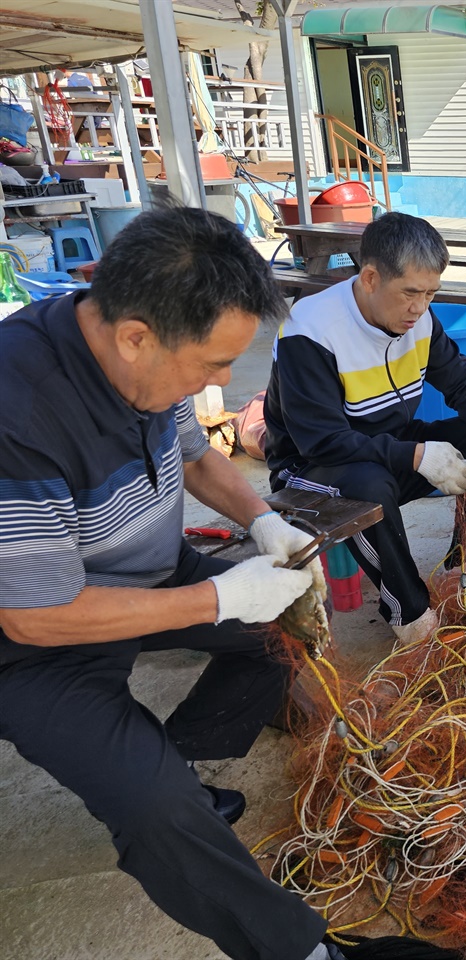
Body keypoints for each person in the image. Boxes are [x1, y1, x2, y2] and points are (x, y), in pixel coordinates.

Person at [0, 207, 346, 960]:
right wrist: (220, 597)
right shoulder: (16, 407)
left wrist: (261, 521)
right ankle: (299, 952)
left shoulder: (149, 359)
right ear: (135, 337)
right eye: (213, 366)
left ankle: (181, 756)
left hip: (150, 572)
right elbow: (33, 617)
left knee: (278, 629)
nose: (227, 383)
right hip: (39, 642)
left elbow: (194, 458)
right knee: (154, 809)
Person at [263, 213, 466, 644]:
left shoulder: (422, 320)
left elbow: (462, 384)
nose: (419, 307)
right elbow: (322, 442)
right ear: (371, 278)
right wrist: (417, 456)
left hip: (387, 446)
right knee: (370, 484)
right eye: (410, 293)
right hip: (310, 467)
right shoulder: (312, 330)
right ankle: (409, 615)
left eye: (431, 293)